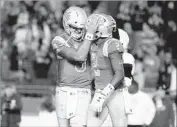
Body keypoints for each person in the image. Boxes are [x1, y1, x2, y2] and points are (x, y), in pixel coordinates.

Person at [51, 6, 99, 127]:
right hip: (63, 90)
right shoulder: (59, 39)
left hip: (82, 90)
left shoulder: (91, 40)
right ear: (67, 24)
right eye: (75, 27)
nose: (78, 30)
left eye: (80, 28)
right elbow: (79, 57)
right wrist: (89, 36)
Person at [87, 13, 127, 127]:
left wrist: (104, 94)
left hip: (113, 93)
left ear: (100, 30)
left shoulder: (111, 44)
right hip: (99, 92)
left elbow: (119, 74)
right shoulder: (94, 45)